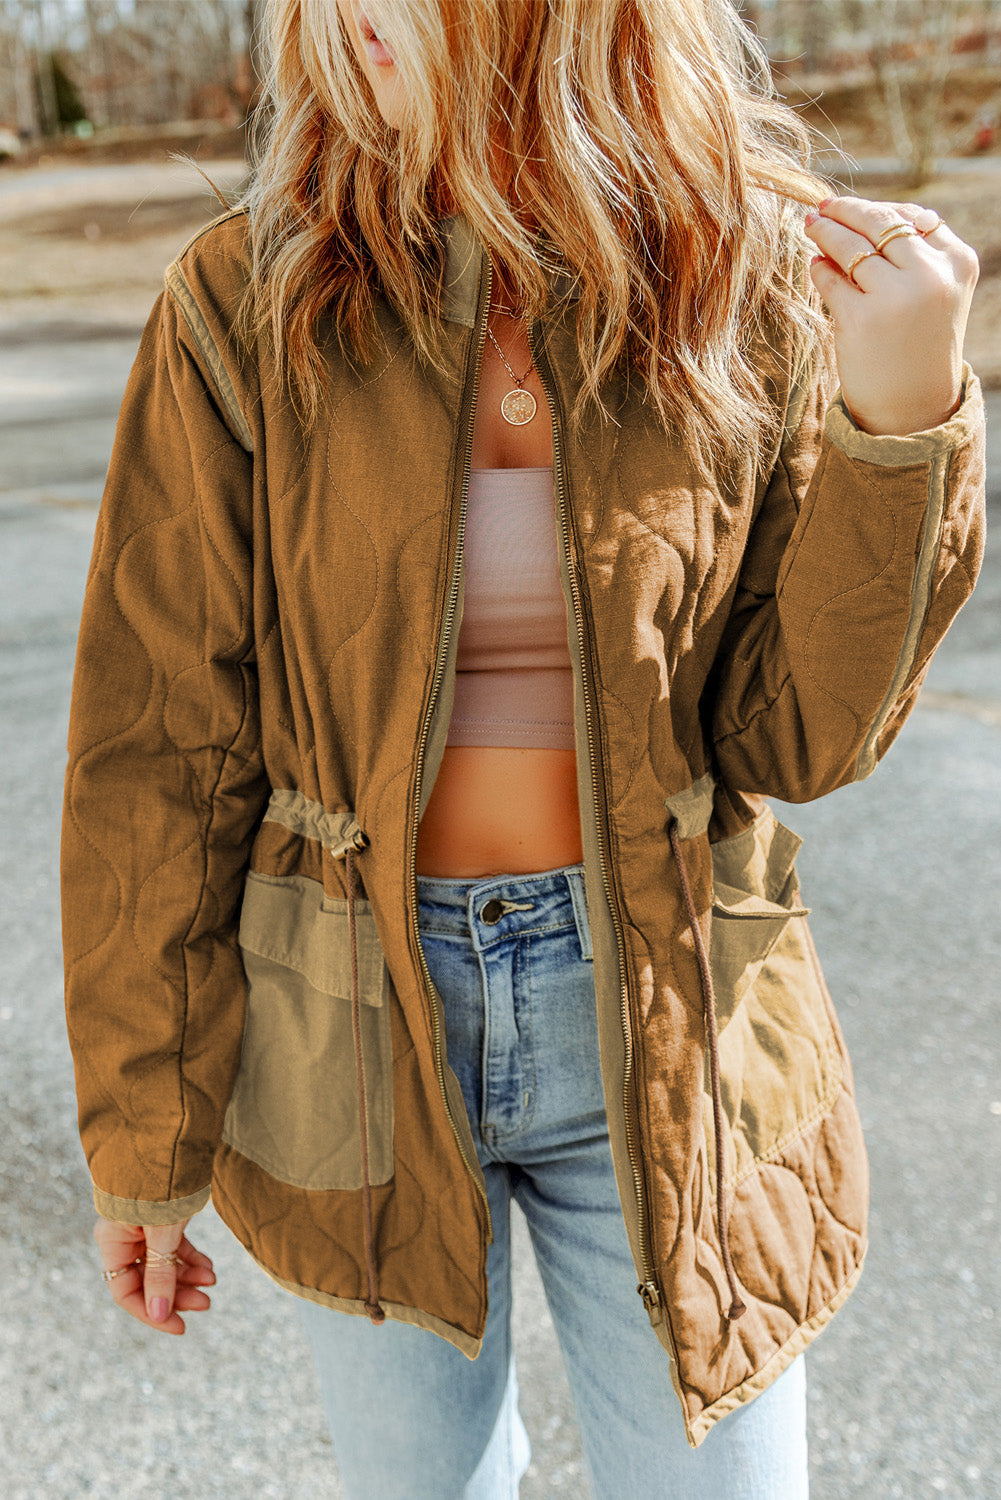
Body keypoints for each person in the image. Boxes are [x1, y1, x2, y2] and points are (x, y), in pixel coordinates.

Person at [60, 1, 985, 1495]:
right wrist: (143, 1128)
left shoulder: (740, 279)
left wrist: (905, 416)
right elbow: (158, 743)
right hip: (349, 1021)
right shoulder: (245, 297)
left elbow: (793, 735)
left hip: (674, 1006)